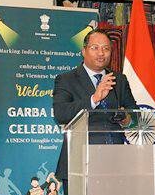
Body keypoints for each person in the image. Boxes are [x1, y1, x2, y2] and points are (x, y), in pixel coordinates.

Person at [51, 30, 138, 184]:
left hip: (115, 164)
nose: (101, 53)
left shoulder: (119, 80)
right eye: (95, 48)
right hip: (79, 165)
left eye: (106, 48)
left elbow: (136, 116)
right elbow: (61, 114)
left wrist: (126, 118)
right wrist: (94, 99)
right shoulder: (66, 79)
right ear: (83, 51)